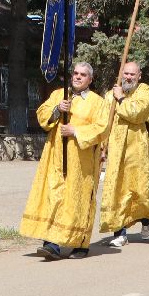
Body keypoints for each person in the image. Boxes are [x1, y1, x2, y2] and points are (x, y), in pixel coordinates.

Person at [19, 63, 109, 259]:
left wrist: (76, 131)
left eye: (83, 75)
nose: (77, 77)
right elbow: (42, 116)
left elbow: (103, 128)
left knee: (77, 200)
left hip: (81, 162)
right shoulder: (59, 94)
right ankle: (51, 244)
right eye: (75, 73)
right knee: (55, 196)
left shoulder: (98, 102)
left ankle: (80, 243)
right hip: (56, 157)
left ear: (90, 80)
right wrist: (57, 110)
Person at [99, 61, 149, 247]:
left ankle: (146, 221)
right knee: (117, 191)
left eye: (133, 74)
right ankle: (120, 233)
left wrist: (121, 99)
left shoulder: (145, 92)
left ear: (139, 76)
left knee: (139, 192)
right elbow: (104, 122)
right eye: (126, 73)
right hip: (117, 153)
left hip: (138, 152)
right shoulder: (110, 96)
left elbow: (137, 114)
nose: (128, 77)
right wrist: (102, 147)